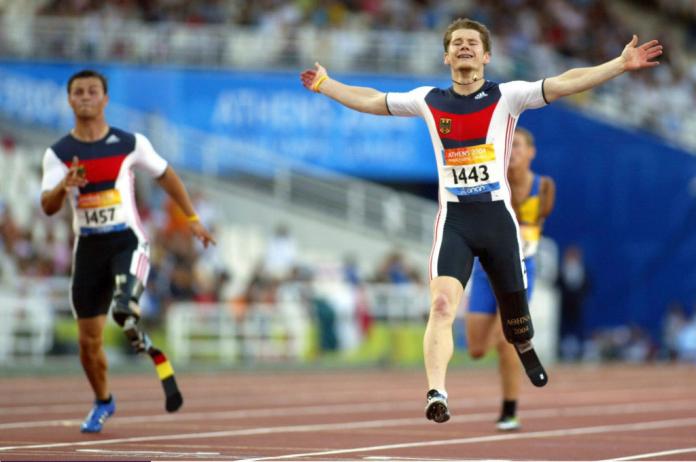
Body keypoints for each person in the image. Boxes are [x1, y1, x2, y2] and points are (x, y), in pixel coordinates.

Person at [300, 17, 661, 423]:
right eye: (457, 43)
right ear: (446, 55)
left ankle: (524, 344)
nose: (465, 47)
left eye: (473, 42)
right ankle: (436, 392)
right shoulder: (428, 100)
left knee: (515, 321)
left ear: (487, 55)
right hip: (454, 220)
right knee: (440, 304)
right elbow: (372, 99)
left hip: (497, 221)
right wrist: (325, 85)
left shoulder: (508, 96)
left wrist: (618, 64)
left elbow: (564, 82)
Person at [40, 69, 215, 433]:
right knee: (88, 343)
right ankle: (103, 401)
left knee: (122, 308)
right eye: (78, 92)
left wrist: (193, 218)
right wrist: (64, 187)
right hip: (88, 249)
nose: (86, 97)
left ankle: (130, 313)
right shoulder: (58, 154)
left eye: (92, 91)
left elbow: (166, 175)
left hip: (127, 241)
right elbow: (47, 205)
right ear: (70, 100)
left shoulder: (130, 143)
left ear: (105, 99)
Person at [465, 127, 555, 431]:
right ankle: (515, 336)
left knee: (507, 342)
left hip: (520, 269)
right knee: (476, 349)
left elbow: (536, 225)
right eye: (508, 147)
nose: (512, 152)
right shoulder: (491, 183)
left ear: (531, 152)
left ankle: (509, 410)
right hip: (483, 270)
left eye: (517, 146)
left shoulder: (544, 186)